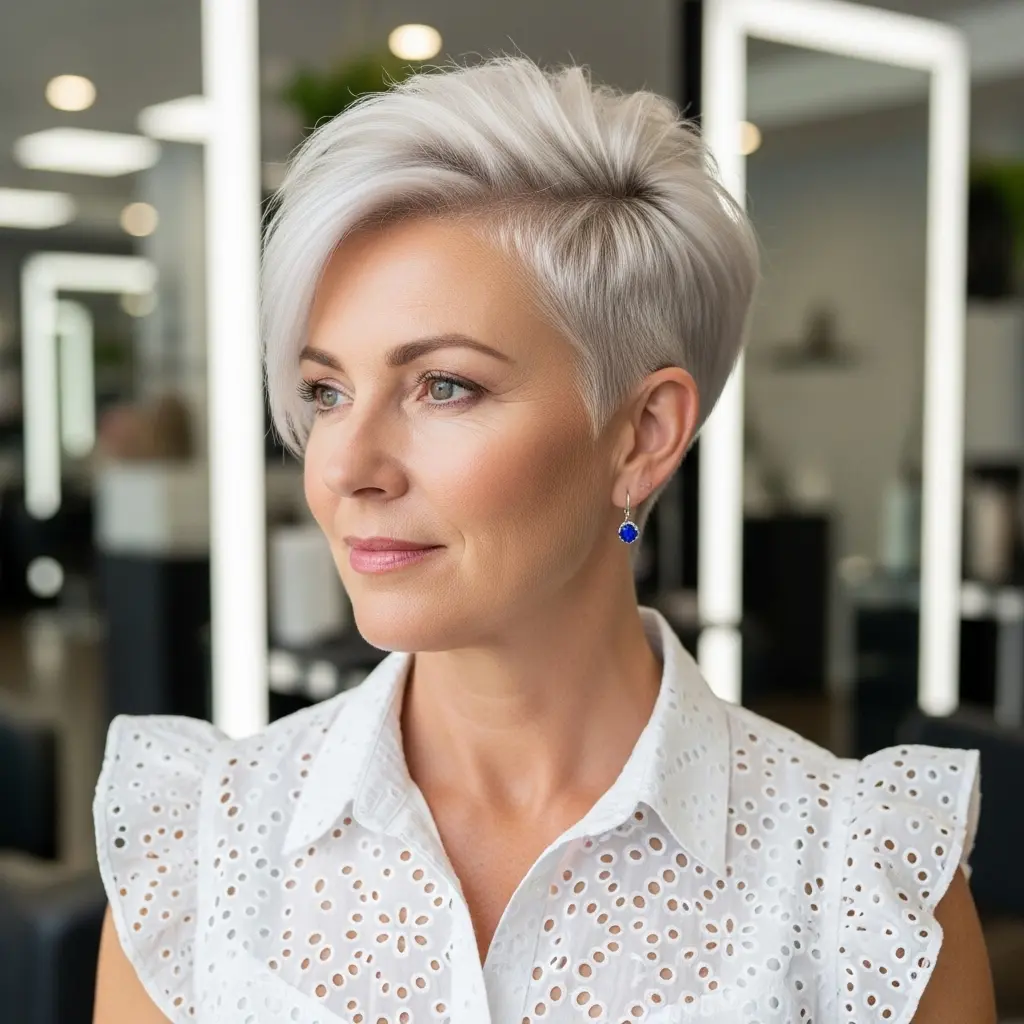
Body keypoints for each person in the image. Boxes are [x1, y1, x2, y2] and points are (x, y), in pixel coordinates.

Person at [92, 55, 995, 1023]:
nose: (345, 466)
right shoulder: (197, 854)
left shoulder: (860, 892)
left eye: (443, 385)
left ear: (643, 433)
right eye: (326, 391)